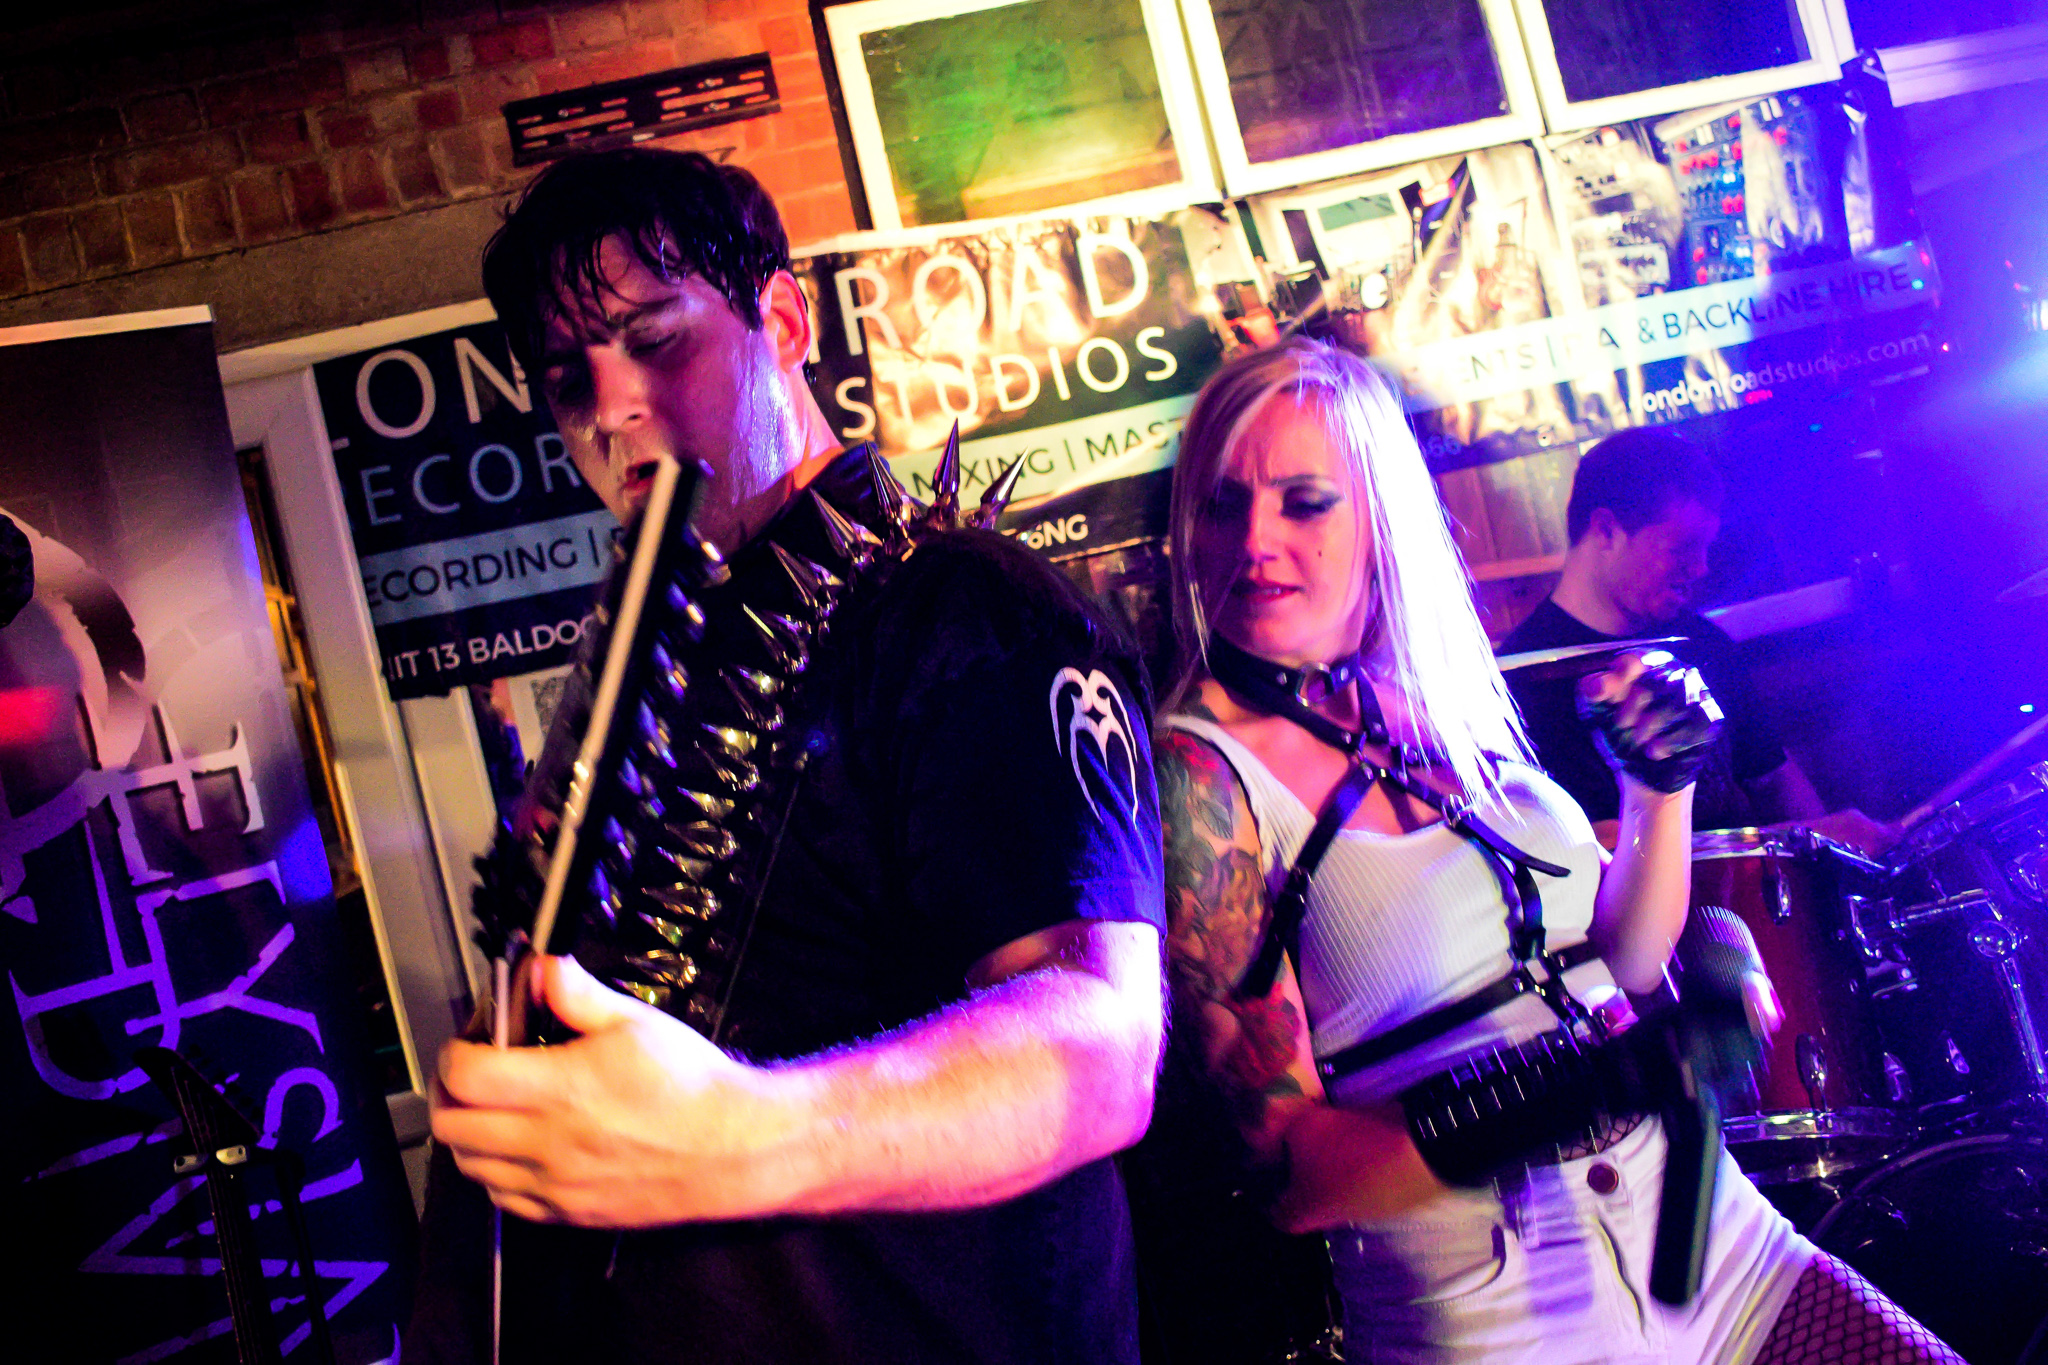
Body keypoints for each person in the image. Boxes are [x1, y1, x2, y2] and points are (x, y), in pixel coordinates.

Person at [405, 148, 1166, 1364]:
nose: (609, 406)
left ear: (784, 322)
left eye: (655, 340)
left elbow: (1098, 1045)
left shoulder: (961, 609)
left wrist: (744, 1134)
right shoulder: (642, 675)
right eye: (565, 377)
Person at [1153, 337, 1959, 1363]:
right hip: (1500, 1316)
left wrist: (1658, 789)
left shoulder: (1433, 705)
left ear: (1378, 517)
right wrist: (1595, 1084)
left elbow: (1627, 961)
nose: (1254, 540)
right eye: (1222, 505)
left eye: (1302, 502)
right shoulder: (1200, 776)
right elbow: (1292, 1176)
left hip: (1709, 1244)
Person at [1496, 427, 1826, 837]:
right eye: (1682, 547)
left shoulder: (1703, 643)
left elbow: (1773, 779)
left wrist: (1831, 841)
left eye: (1705, 547)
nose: (1701, 567)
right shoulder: (1519, 685)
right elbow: (1579, 851)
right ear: (1606, 531)